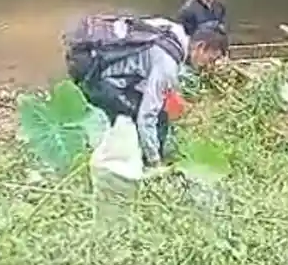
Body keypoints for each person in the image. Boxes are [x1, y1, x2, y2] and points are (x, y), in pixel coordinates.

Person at [68, 15, 228, 168]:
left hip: (93, 58)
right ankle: (148, 162)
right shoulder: (168, 65)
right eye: (211, 59)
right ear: (200, 47)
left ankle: (149, 154)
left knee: (159, 112)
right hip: (99, 80)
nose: (209, 66)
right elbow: (146, 117)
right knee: (151, 118)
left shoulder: (172, 30)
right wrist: (155, 162)